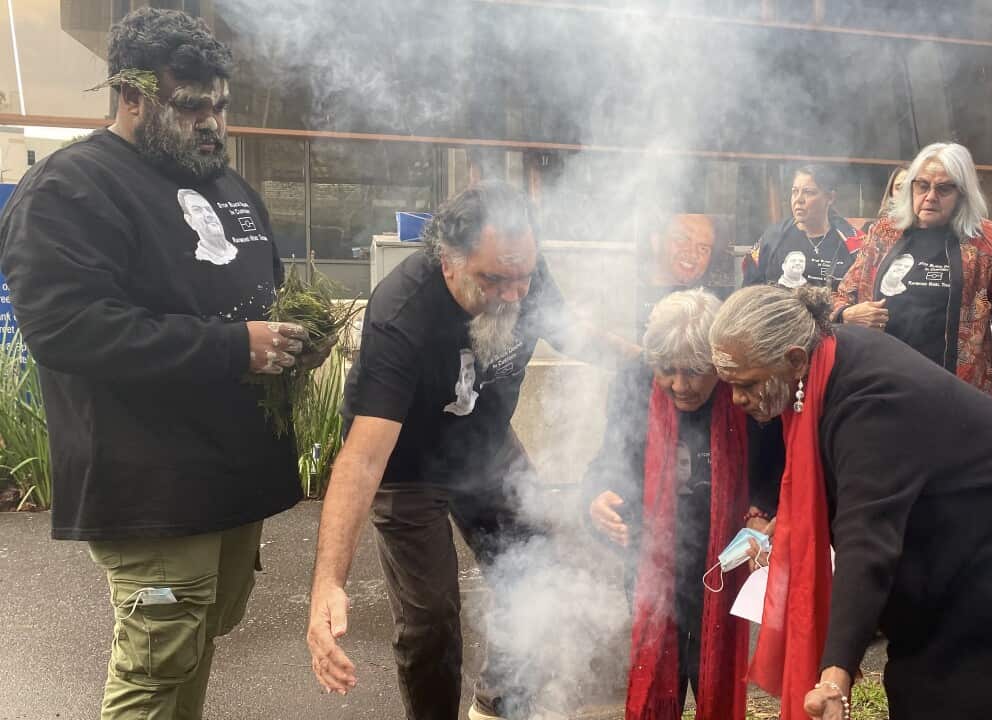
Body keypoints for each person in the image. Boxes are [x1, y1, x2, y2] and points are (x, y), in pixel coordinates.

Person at [0, 9, 330, 718]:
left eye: (220, 106)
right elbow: (66, 328)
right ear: (131, 94)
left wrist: (300, 339)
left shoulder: (229, 188)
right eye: (191, 106)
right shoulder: (72, 188)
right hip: (150, 485)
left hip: (232, 477)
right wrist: (235, 346)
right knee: (156, 658)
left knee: (197, 637)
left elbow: (263, 297)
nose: (212, 123)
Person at [306, 181, 633, 720]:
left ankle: (499, 706)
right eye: (494, 280)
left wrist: (653, 361)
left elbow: (572, 333)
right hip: (409, 466)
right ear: (448, 262)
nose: (514, 295)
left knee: (536, 569)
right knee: (431, 617)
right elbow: (363, 458)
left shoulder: (521, 271)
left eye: (523, 278)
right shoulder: (402, 311)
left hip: (487, 447)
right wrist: (328, 584)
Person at [708, 285, 992, 720]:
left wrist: (835, 676)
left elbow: (866, 539)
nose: (737, 399)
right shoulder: (825, 358)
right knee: (919, 666)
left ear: (794, 359)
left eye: (747, 384)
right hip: (943, 511)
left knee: (978, 684)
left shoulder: (869, 401)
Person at [585, 289, 766, 720]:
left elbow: (772, 465)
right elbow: (611, 459)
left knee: (712, 665)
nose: (680, 386)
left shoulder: (742, 384)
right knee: (658, 659)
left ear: (719, 365)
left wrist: (763, 511)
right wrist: (597, 495)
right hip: (651, 551)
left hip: (724, 553)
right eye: (667, 370)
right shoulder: (634, 381)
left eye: (695, 372)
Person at [833, 142, 992, 417]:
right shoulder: (884, 232)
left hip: (958, 399)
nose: (930, 196)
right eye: (922, 186)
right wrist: (846, 314)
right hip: (882, 390)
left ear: (962, 193)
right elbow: (842, 295)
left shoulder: (989, 241)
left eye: (943, 189)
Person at [742, 164, 862, 290]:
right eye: (795, 191)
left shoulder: (854, 244)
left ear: (830, 198)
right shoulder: (772, 239)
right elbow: (749, 292)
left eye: (808, 192)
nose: (798, 199)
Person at [861, 165, 908, 234]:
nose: (903, 193)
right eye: (899, 187)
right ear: (891, 192)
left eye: (908, 188)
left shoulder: (920, 233)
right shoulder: (871, 229)